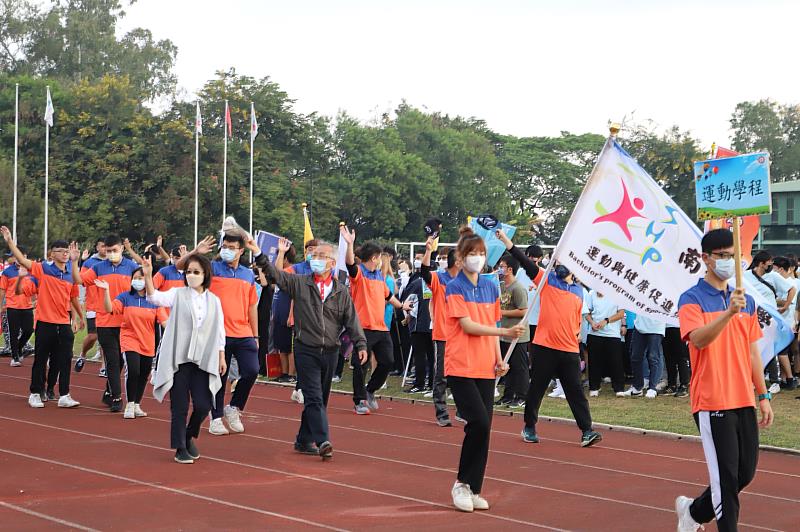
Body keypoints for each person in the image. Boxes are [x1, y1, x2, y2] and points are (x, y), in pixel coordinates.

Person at [674, 229, 773, 532]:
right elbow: (699, 340)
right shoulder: (691, 299)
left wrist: (763, 395)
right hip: (712, 399)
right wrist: (729, 313)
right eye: (723, 256)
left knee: (744, 474)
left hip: (743, 397)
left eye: (734, 256)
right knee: (725, 480)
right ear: (705, 258)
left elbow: (753, 352)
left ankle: (692, 512)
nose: (729, 261)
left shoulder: (747, 301)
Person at [252, 237, 367, 459]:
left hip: (331, 352)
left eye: (321, 256)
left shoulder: (341, 291)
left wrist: (360, 343)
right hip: (306, 349)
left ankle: (303, 440)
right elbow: (276, 275)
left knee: (320, 399)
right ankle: (323, 440)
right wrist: (259, 253)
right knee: (313, 397)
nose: (315, 260)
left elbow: (351, 320)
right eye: (313, 256)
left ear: (332, 263)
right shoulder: (300, 283)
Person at [495, 229, 602, 447]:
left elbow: (575, 320)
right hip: (544, 347)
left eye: (564, 262)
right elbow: (524, 260)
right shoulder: (546, 280)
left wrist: (577, 342)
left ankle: (587, 430)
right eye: (558, 261)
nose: (559, 265)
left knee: (576, 393)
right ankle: (529, 426)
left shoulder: (579, 291)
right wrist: (507, 241)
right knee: (537, 389)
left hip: (569, 350)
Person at [445, 226, 524, 513]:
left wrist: (498, 359)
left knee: (485, 428)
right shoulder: (454, 287)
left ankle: (475, 488)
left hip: (484, 368)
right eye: (472, 253)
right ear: (460, 257)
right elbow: (467, 326)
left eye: (481, 253)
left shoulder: (491, 286)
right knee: (477, 422)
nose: (477, 258)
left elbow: (492, 328)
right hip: (460, 366)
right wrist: (503, 334)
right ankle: (462, 484)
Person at [144, 254, 226, 464]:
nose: (191, 276)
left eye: (196, 272)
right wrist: (147, 276)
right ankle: (180, 446)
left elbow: (219, 331)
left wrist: (221, 355)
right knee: (179, 406)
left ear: (205, 274)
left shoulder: (214, 301)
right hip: (179, 359)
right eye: (188, 272)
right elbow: (155, 298)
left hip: (203, 360)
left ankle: (189, 435)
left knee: (203, 405)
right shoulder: (178, 294)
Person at [177, 234, 259, 436]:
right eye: (225, 246)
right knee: (219, 377)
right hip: (216, 333)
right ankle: (216, 418)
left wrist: (255, 335)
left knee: (252, 370)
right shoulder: (211, 269)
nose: (227, 250)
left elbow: (252, 306)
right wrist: (196, 251)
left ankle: (234, 407)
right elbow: (181, 266)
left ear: (241, 250)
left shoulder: (247, 274)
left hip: (243, 332)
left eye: (232, 247)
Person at [1, 227, 83, 408]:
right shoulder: (42, 269)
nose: (64, 254)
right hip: (45, 322)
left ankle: (64, 394)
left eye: (66, 251)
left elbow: (74, 295)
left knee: (64, 360)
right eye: (60, 251)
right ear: (52, 254)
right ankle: (35, 392)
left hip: (64, 323)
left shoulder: (70, 274)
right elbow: (22, 260)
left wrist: (79, 317)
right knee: (40, 359)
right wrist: (9, 241)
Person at [340, 226, 412, 414]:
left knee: (387, 361)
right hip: (362, 328)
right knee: (360, 365)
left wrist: (402, 306)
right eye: (380, 257)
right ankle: (359, 400)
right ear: (374, 258)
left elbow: (388, 296)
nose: (382, 260)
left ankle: (370, 390)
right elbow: (349, 263)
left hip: (381, 328)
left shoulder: (380, 276)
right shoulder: (359, 274)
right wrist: (350, 244)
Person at [72, 234, 140, 412]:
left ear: (121, 249)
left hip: (126, 322)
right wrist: (74, 261)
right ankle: (117, 397)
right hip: (105, 321)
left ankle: (109, 392)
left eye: (114, 250)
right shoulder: (98, 267)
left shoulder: (132, 267)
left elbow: (144, 286)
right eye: (108, 251)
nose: (111, 254)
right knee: (111, 360)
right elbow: (79, 280)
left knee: (121, 361)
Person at [96, 267, 168, 418]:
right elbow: (110, 309)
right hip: (129, 339)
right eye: (135, 277)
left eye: (142, 278)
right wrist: (106, 291)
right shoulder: (125, 297)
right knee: (133, 370)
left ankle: (136, 404)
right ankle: (129, 404)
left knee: (144, 373)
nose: (138, 281)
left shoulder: (154, 301)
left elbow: (164, 322)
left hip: (148, 342)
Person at [420, 244, 460, 426]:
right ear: (457, 261)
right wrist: (428, 250)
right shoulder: (438, 278)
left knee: (462, 375)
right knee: (441, 375)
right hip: (443, 334)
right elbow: (424, 272)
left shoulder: (466, 281)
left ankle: (463, 410)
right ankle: (442, 412)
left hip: (462, 336)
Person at [746, 250, 792, 394]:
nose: (771, 264)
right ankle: (751, 380)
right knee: (752, 349)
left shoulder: (773, 276)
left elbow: (792, 289)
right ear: (761, 263)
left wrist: (785, 306)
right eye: (769, 262)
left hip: (769, 319)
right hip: (752, 317)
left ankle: (774, 381)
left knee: (769, 349)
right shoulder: (746, 276)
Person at [496, 253, 530, 407]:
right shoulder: (501, 286)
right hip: (504, 333)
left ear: (510, 269)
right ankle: (508, 395)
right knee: (505, 366)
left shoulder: (518, 288)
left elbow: (523, 310)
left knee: (520, 367)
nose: (499, 269)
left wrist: (502, 313)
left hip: (517, 335)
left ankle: (522, 396)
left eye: (502, 267)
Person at [400, 258, 434, 394]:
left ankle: (419, 384)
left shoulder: (416, 283)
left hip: (419, 324)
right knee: (432, 356)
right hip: (433, 324)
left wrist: (408, 316)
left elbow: (406, 302)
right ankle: (431, 384)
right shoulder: (441, 283)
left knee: (420, 355)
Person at [584, 290, 625, 397]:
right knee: (594, 361)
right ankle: (594, 387)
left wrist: (606, 321)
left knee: (616, 361)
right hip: (595, 333)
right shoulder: (591, 293)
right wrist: (592, 323)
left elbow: (621, 313)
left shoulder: (618, 292)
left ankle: (619, 388)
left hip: (612, 333)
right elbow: (586, 312)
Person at [0, 246, 36, 367]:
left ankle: (19, 348)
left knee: (29, 330)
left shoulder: (32, 270)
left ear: (25, 256)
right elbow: (2, 290)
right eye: (15, 256)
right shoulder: (7, 272)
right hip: (12, 306)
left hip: (27, 306)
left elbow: (36, 287)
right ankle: (14, 357)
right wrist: (1, 306)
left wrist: (36, 300)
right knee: (13, 332)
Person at [75, 238, 106, 371]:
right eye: (102, 246)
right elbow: (81, 279)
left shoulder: (114, 262)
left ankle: (105, 366)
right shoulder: (90, 263)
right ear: (97, 248)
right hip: (93, 304)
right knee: (93, 336)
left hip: (109, 305)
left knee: (106, 337)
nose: (105, 249)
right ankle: (82, 354)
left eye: (107, 246)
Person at [624, 314, 666, 399]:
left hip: (656, 327)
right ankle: (637, 387)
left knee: (653, 358)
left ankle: (652, 388)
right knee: (635, 356)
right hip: (639, 326)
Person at [662, 325, 690, 397]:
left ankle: (684, 386)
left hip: (679, 327)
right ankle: (672, 385)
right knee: (668, 357)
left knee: (681, 357)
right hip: (665, 327)